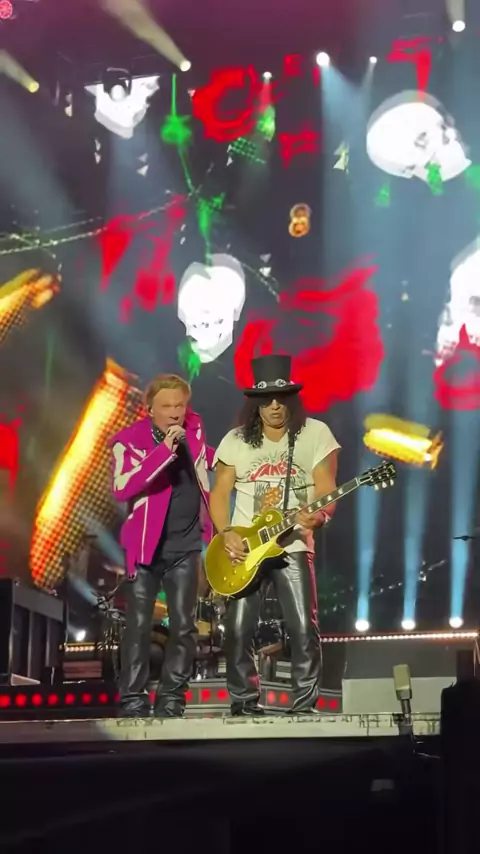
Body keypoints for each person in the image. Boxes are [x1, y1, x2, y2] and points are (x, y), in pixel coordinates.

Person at [210, 354, 340, 716]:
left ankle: (304, 705)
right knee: (237, 628)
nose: (274, 407)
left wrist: (321, 515)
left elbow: (327, 488)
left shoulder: (315, 434)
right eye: (266, 400)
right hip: (246, 548)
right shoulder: (236, 440)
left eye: (280, 399)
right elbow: (219, 493)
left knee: (302, 626)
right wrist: (225, 533)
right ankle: (243, 702)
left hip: (293, 543)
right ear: (255, 404)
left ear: (290, 399)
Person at [109, 374, 214, 718]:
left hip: (186, 546)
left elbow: (207, 465)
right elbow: (123, 488)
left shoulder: (195, 431)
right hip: (145, 550)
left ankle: (172, 699)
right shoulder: (129, 441)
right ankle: (133, 699)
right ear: (150, 409)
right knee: (138, 626)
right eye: (166, 406)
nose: (174, 412)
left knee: (183, 626)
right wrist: (164, 451)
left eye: (180, 405)